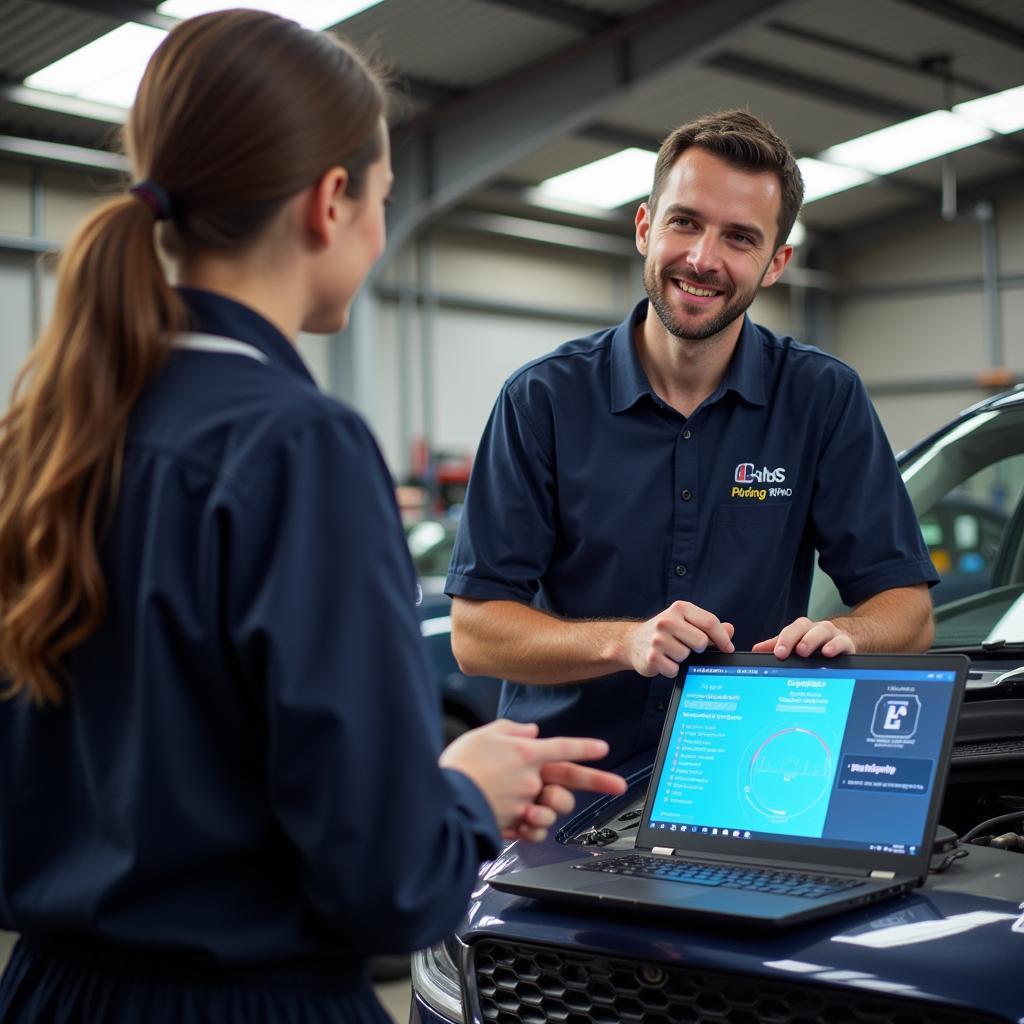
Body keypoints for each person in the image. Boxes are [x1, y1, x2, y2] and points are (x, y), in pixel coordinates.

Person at [0, 12, 626, 1023]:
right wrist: (464, 793)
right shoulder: (298, 447)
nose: (379, 229)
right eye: (382, 199)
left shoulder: (45, 435)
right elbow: (386, 887)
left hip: (47, 992)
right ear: (330, 203)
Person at [447, 109, 938, 771]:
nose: (704, 259)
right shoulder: (543, 400)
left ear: (774, 264)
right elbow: (477, 635)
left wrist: (845, 633)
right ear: (646, 227)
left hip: (746, 776)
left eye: (740, 238)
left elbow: (908, 610)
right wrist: (624, 642)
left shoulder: (822, 398)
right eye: (686, 222)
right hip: (568, 782)